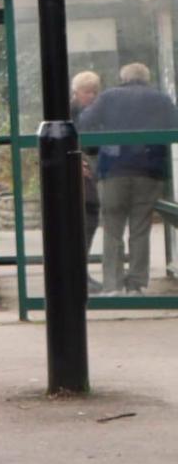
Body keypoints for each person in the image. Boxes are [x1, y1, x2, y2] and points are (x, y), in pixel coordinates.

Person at [77, 62, 178, 294]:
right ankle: (136, 285)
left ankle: (112, 286)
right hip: (149, 172)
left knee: (112, 228)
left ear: (123, 78)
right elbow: (174, 125)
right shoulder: (160, 99)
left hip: (113, 171)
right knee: (140, 229)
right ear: (146, 78)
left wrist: (97, 144)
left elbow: (85, 123)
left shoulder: (109, 97)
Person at [72, 71, 103, 291]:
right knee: (86, 219)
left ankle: (80, 272)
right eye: (87, 92)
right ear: (76, 92)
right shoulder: (69, 112)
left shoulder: (92, 111)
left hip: (91, 170)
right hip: (77, 175)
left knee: (90, 219)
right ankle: (77, 274)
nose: (91, 96)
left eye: (94, 92)